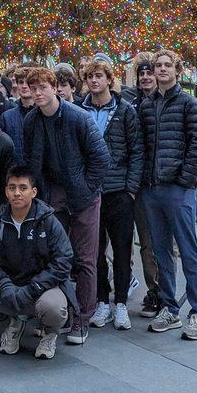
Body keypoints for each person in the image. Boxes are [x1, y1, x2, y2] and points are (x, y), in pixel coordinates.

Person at [22, 67, 110, 346]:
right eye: (33, 88)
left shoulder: (78, 117)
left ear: (54, 87)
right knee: (55, 257)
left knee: (85, 258)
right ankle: (57, 316)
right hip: (52, 195)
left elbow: (101, 158)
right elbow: (30, 159)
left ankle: (82, 318)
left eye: (42, 88)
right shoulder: (31, 121)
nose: (37, 93)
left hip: (82, 196)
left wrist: (86, 188)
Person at [0, 165, 77, 360]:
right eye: (12, 187)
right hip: (8, 285)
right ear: (6, 191)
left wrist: (33, 288)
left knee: (54, 309)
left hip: (41, 287)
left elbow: (64, 259)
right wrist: (4, 284)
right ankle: (13, 323)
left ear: (33, 192)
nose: (17, 193)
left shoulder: (48, 220)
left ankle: (49, 333)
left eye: (23, 188)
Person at [137, 49, 197, 341]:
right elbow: (141, 145)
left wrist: (184, 178)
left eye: (167, 65)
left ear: (177, 71)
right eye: (158, 66)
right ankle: (169, 307)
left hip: (178, 190)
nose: (162, 69)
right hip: (152, 189)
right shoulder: (146, 106)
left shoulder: (189, 104)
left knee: (189, 252)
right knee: (161, 252)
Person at [81, 57, 142, 331]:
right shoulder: (79, 110)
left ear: (109, 80)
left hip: (119, 191)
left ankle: (120, 304)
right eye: (90, 77)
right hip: (92, 191)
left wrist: (130, 189)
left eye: (99, 76)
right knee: (94, 250)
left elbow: (136, 150)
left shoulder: (125, 110)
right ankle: (101, 300)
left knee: (121, 248)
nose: (95, 81)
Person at [132, 54, 162, 318]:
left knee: (156, 242)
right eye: (142, 73)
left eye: (149, 73)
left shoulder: (166, 103)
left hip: (159, 181)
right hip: (137, 182)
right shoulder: (131, 103)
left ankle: (162, 290)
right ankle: (153, 289)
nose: (145, 77)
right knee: (145, 244)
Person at [0, 65, 37, 159]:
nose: (24, 86)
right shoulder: (6, 117)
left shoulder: (43, 113)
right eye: (20, 82)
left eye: (27, 83)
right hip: (14, 169)